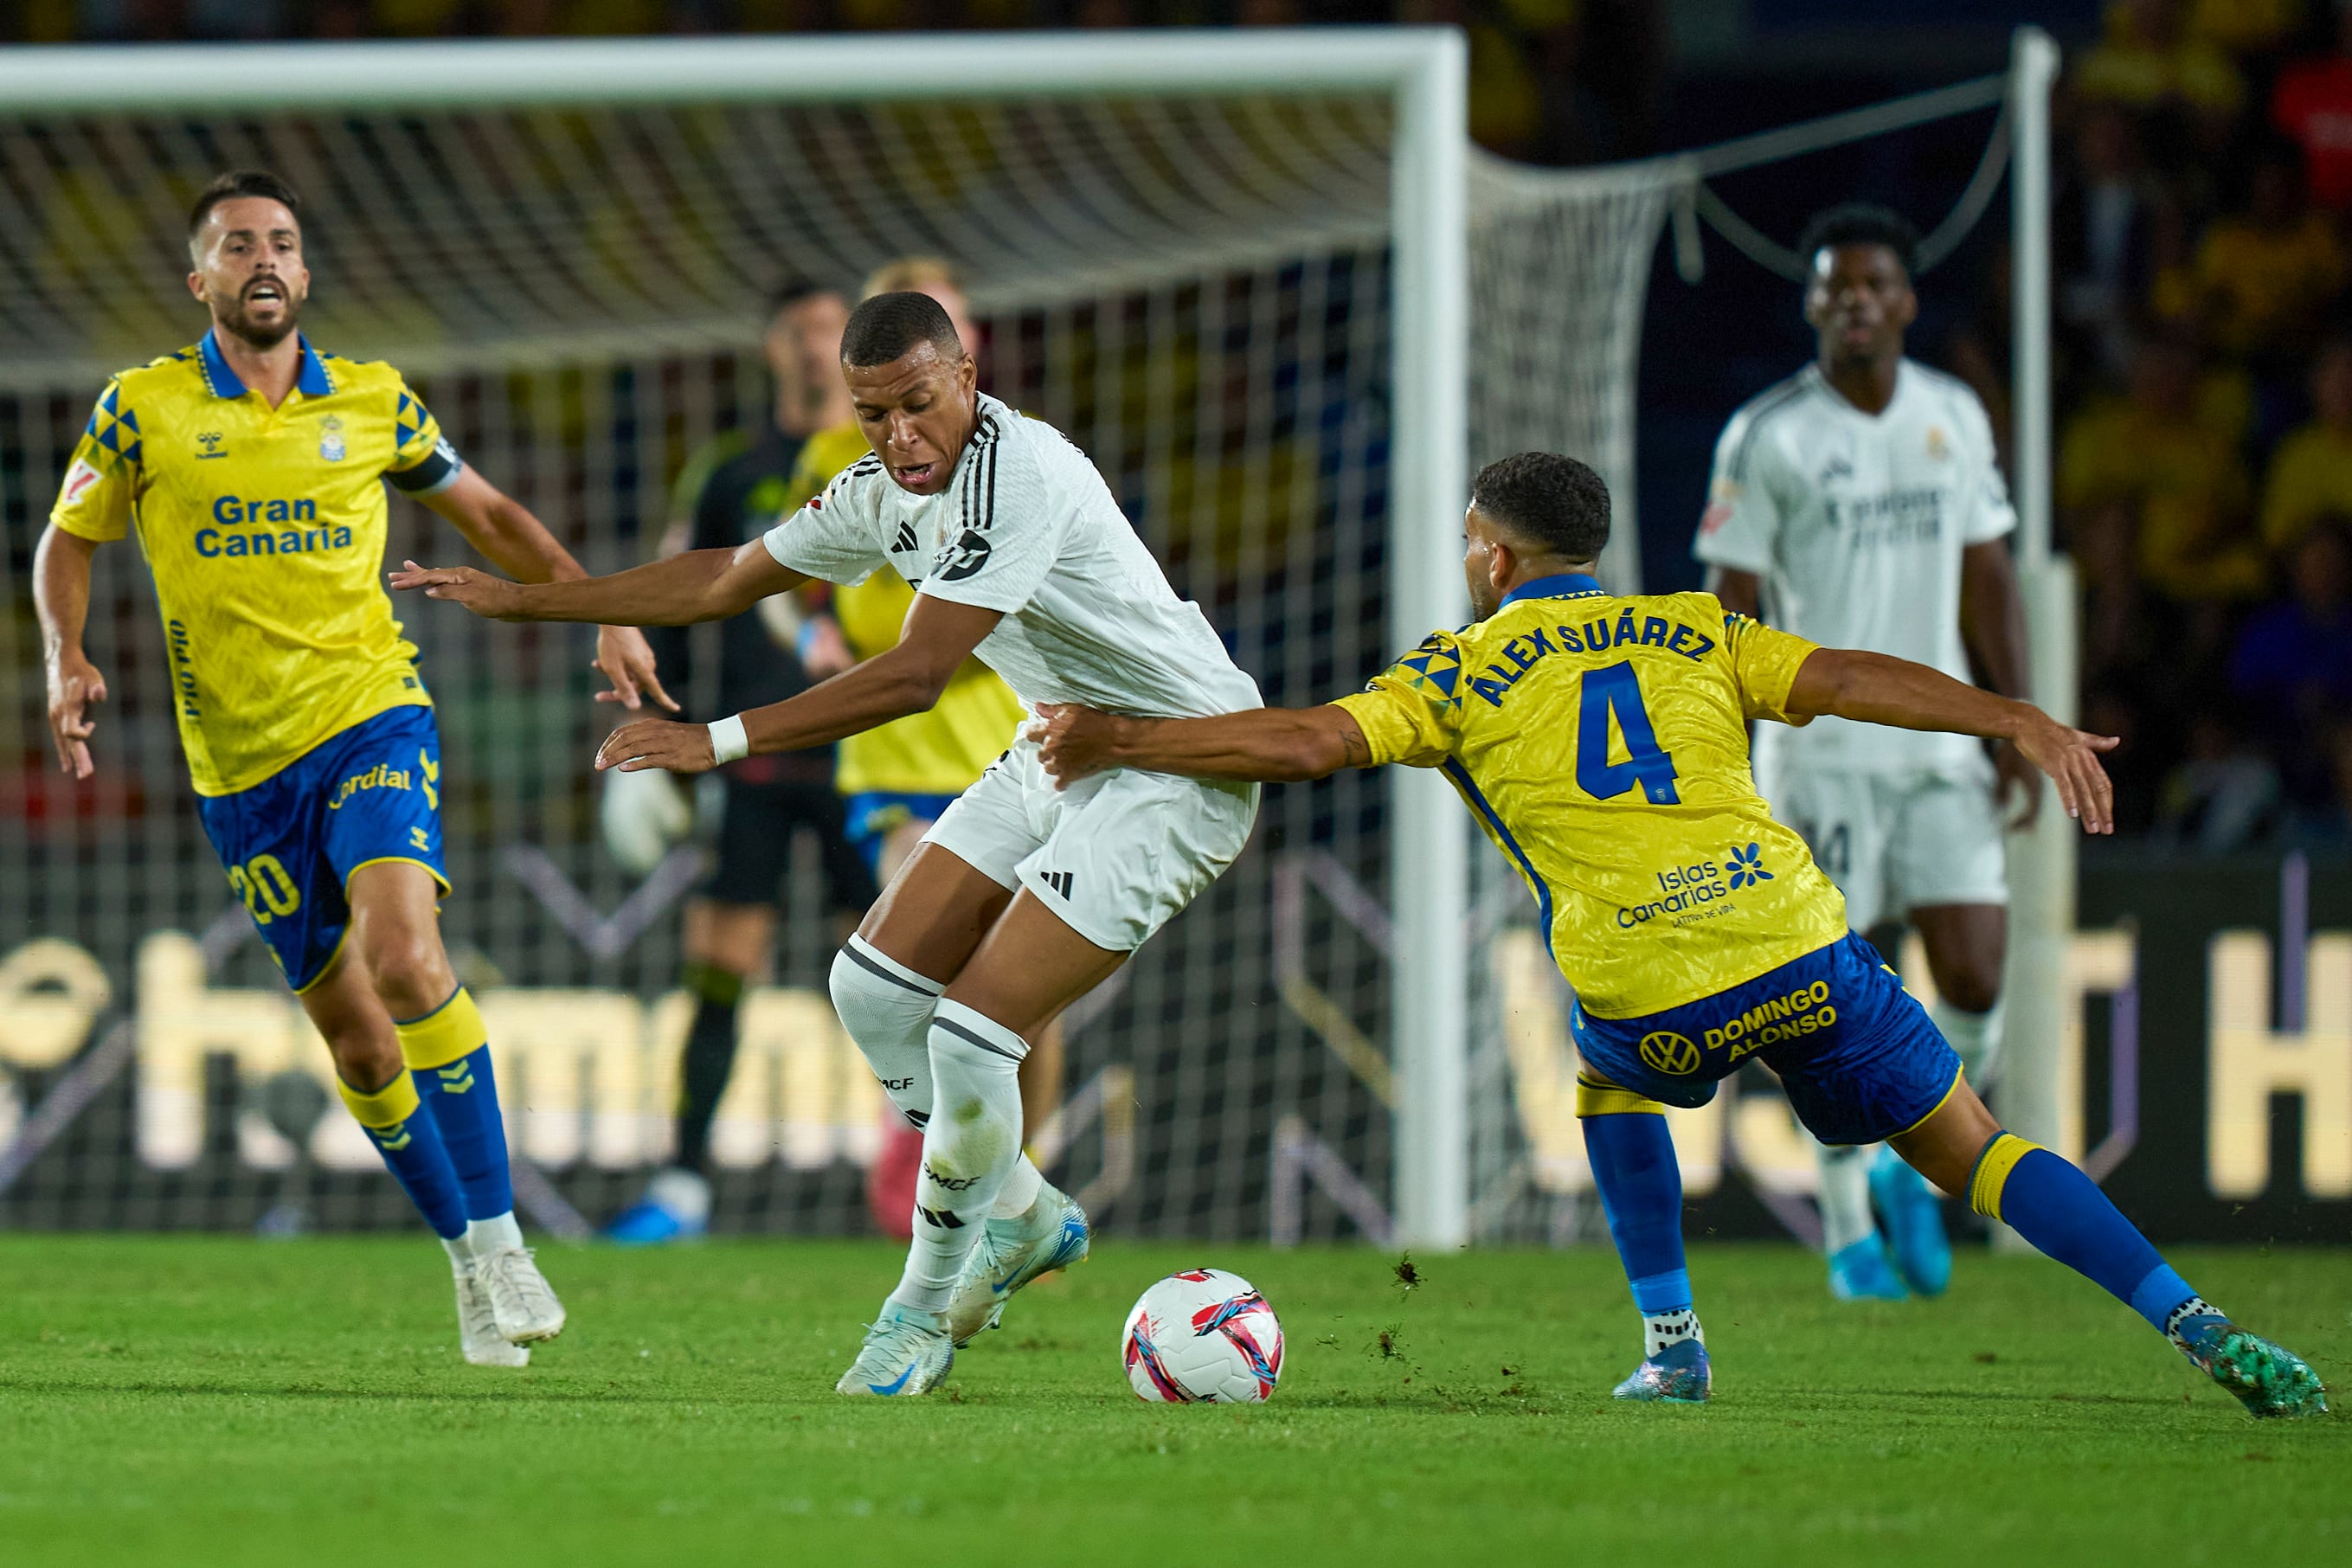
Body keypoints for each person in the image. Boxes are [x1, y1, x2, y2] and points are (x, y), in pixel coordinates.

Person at [1028, 451, 2328, 1420]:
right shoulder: (1698, 628)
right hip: (1795, 941)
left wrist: (1122, 737)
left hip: (1649, 983)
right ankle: (2199, 1326)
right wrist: (2018, 718)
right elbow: (1849, 679)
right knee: (1976, 1149)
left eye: (1470, 543)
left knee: (1605, 1080)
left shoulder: (1456, 669)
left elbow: (1308, 741)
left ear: (1492, 557)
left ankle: (1671, 1348)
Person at [392, 291, 1263, 1398]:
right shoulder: (882, 492)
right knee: (869, 992)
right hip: (1060, 746)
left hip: (1179, 770)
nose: (899, 437)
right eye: (873, 415)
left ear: (965, 379)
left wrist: (715, 740)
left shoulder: (1019, 475)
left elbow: (914, 676)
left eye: (917, 406)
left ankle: (922, 1311)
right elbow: (722, 575)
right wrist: (531, 602)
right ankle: (1022, 1210)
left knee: (973, 1030)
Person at [34, 171, 648, 1366]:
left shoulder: (374, 402)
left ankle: (507, 1238)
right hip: (239, 773)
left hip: (371, 717)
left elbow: (492, 513)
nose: (263, 260)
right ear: (198, 277)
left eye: (283, 243)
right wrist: (64, 658)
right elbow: (68, 538)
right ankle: (467, 1264)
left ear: (305, 274)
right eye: (236, 245)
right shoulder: (140, 409)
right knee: (361, 1046)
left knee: (409, 957)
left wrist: (602, 609)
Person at [1695, 204, 2027, 1302]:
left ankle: (1910, 1180)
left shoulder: (1953, 415)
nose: (1856, 304)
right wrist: (1723, 756)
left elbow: (1989, 569)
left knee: (1976, 966)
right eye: (1836, 287)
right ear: (1812, 305)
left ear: (1907, 301)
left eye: (1875, 285)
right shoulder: (1765, 435)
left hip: (1936, 751)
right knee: (1832, 998)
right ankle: (1846, 1233)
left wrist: (2012, 716)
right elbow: (1727, 605)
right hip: (1821, 756)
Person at [778, 259, 1052, 1240]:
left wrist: (940, 655)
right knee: (927, 976)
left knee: (1022, 1000)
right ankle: (958, 1182)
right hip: (894, 763)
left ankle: (1016, 1181)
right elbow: (798, 575)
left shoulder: (1021, 465)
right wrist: (814, 635)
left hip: (1003, 753)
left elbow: (1014, 618)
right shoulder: (838, 463)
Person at [601, 280, 880, 1245]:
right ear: (771, 348)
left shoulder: (890, 463)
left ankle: (941, 1182)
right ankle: (682, 1186)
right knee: (720, 967)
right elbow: (676, 602)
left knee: (904, 976)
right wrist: (659, 743)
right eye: (797, 332)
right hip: (756, 763)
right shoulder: (733, 470)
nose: (813, 349)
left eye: (827, 332)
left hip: (866, 761)